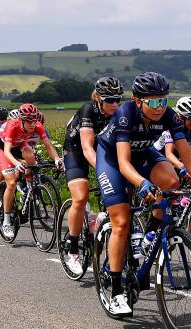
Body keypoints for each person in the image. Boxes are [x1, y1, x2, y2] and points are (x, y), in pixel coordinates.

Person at [95, 72, 191, 315]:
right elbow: (123, 162)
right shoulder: (125, 114)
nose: (160, 107)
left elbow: (188, 156)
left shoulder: (170, 116)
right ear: (139, 101)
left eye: (163, 101)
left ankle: (149, 234)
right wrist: (142, 184)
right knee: (121, 221)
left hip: (145, 154)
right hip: (113, 160)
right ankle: (117, 290)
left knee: (171, 181)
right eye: (153, 102)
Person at [62, 77, 124, 276]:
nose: (114, 104)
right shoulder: (89, 110)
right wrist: (106, 171)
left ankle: (99, 224)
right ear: (98, 98)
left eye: (118, 99)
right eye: (109, 100)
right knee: (80, 197)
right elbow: (87, 148)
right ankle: (72, 249)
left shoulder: (119, 113)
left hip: (103, 149)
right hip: (76, 150)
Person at [0, 104, 63, 238]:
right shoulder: (12, 125)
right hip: (4, 148)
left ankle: (29, 185)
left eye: (34, 120)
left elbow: (49, 146)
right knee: (11, 183)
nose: (32, 124)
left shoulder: (37, 125)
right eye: (28, 121)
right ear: (21, 120)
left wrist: (56, 159)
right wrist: (16, 164)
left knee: (30, 155)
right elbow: (8, 151)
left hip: (20, 144)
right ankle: (7, 221)